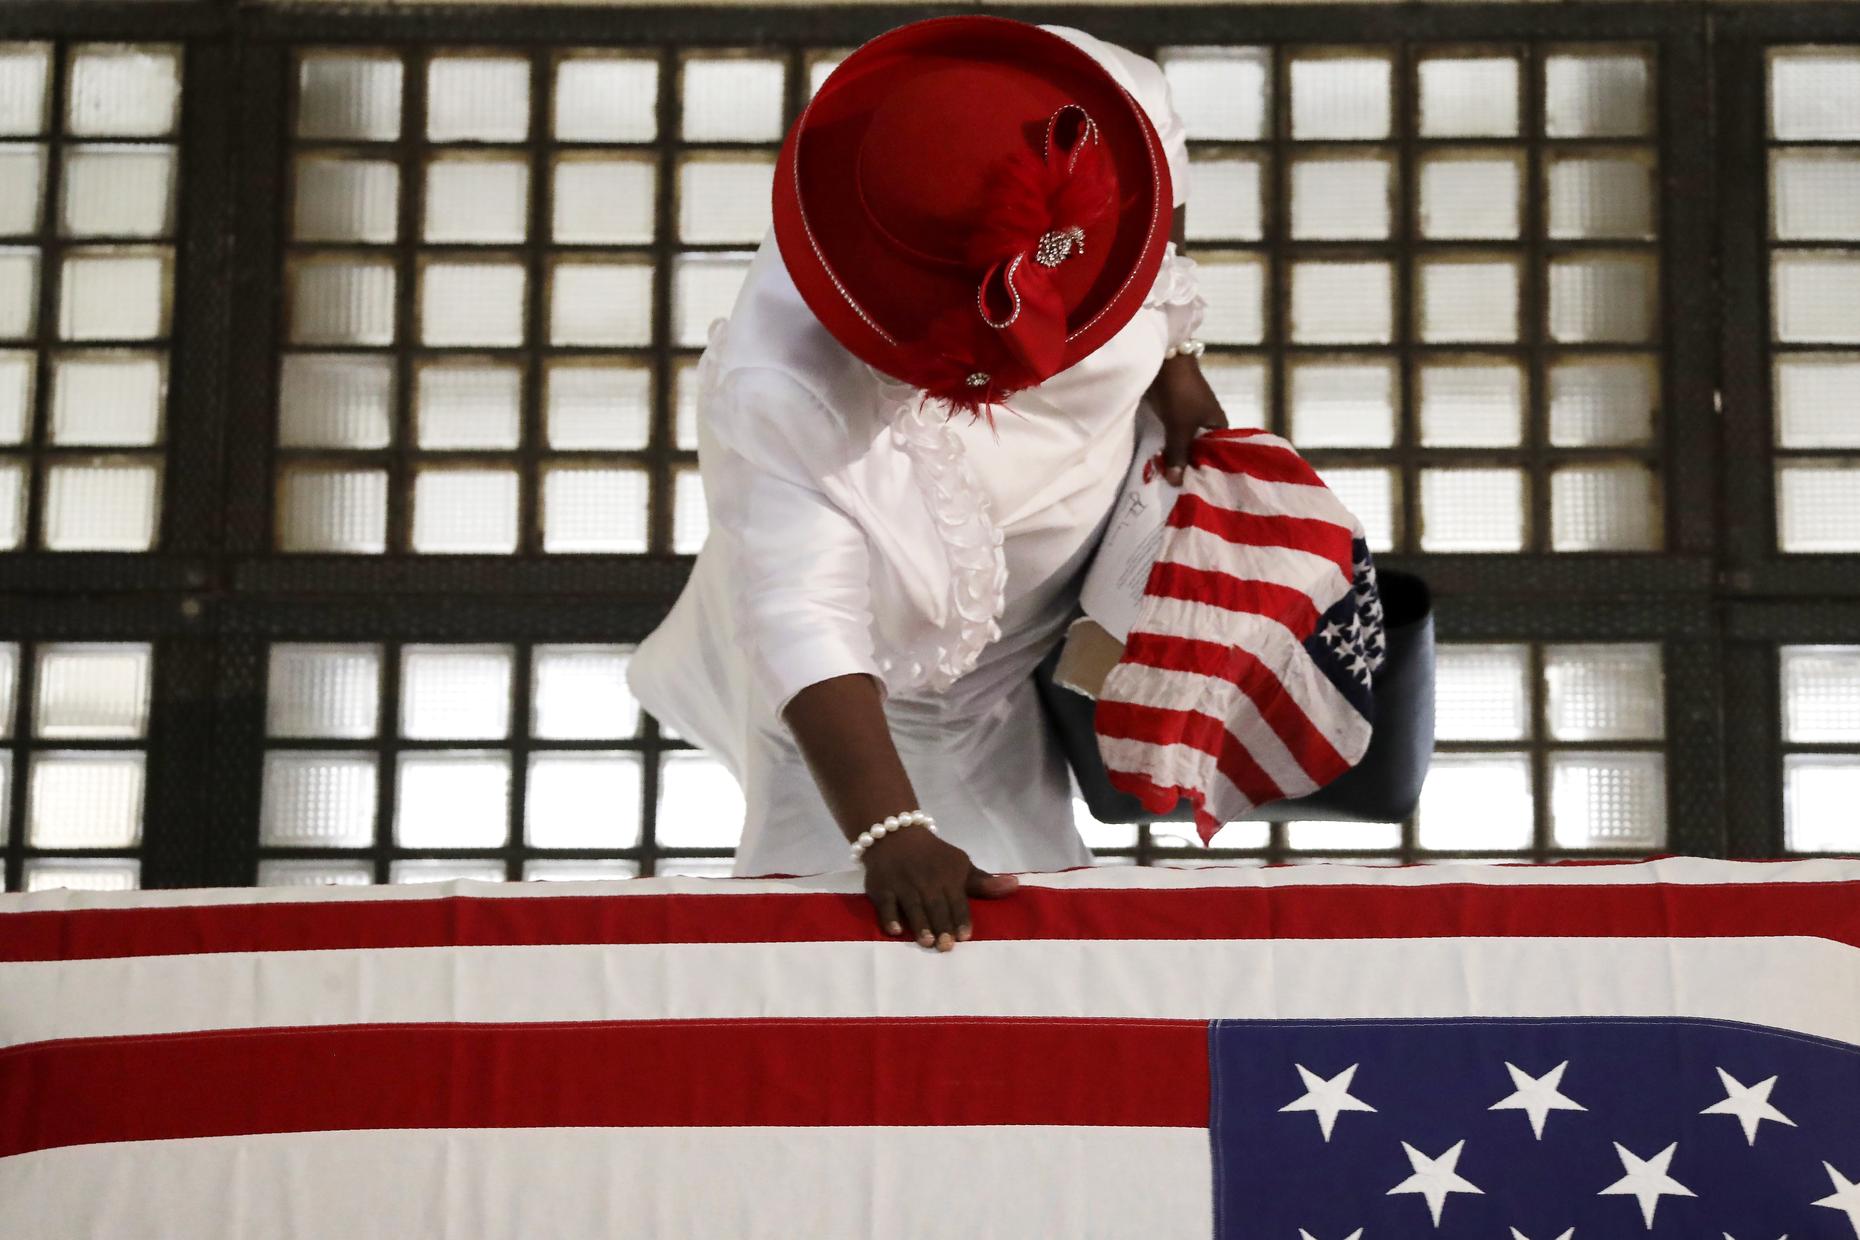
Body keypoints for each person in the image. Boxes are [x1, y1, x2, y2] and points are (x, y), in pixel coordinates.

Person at [627, 16, 1227, 950]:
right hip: (886, 690)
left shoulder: (1094, 105)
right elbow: (803, 617)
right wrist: (890, 830)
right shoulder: (782, 383)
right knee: (872, 947)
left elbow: (1165, 206)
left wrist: (1178, 362)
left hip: (1052, 597)